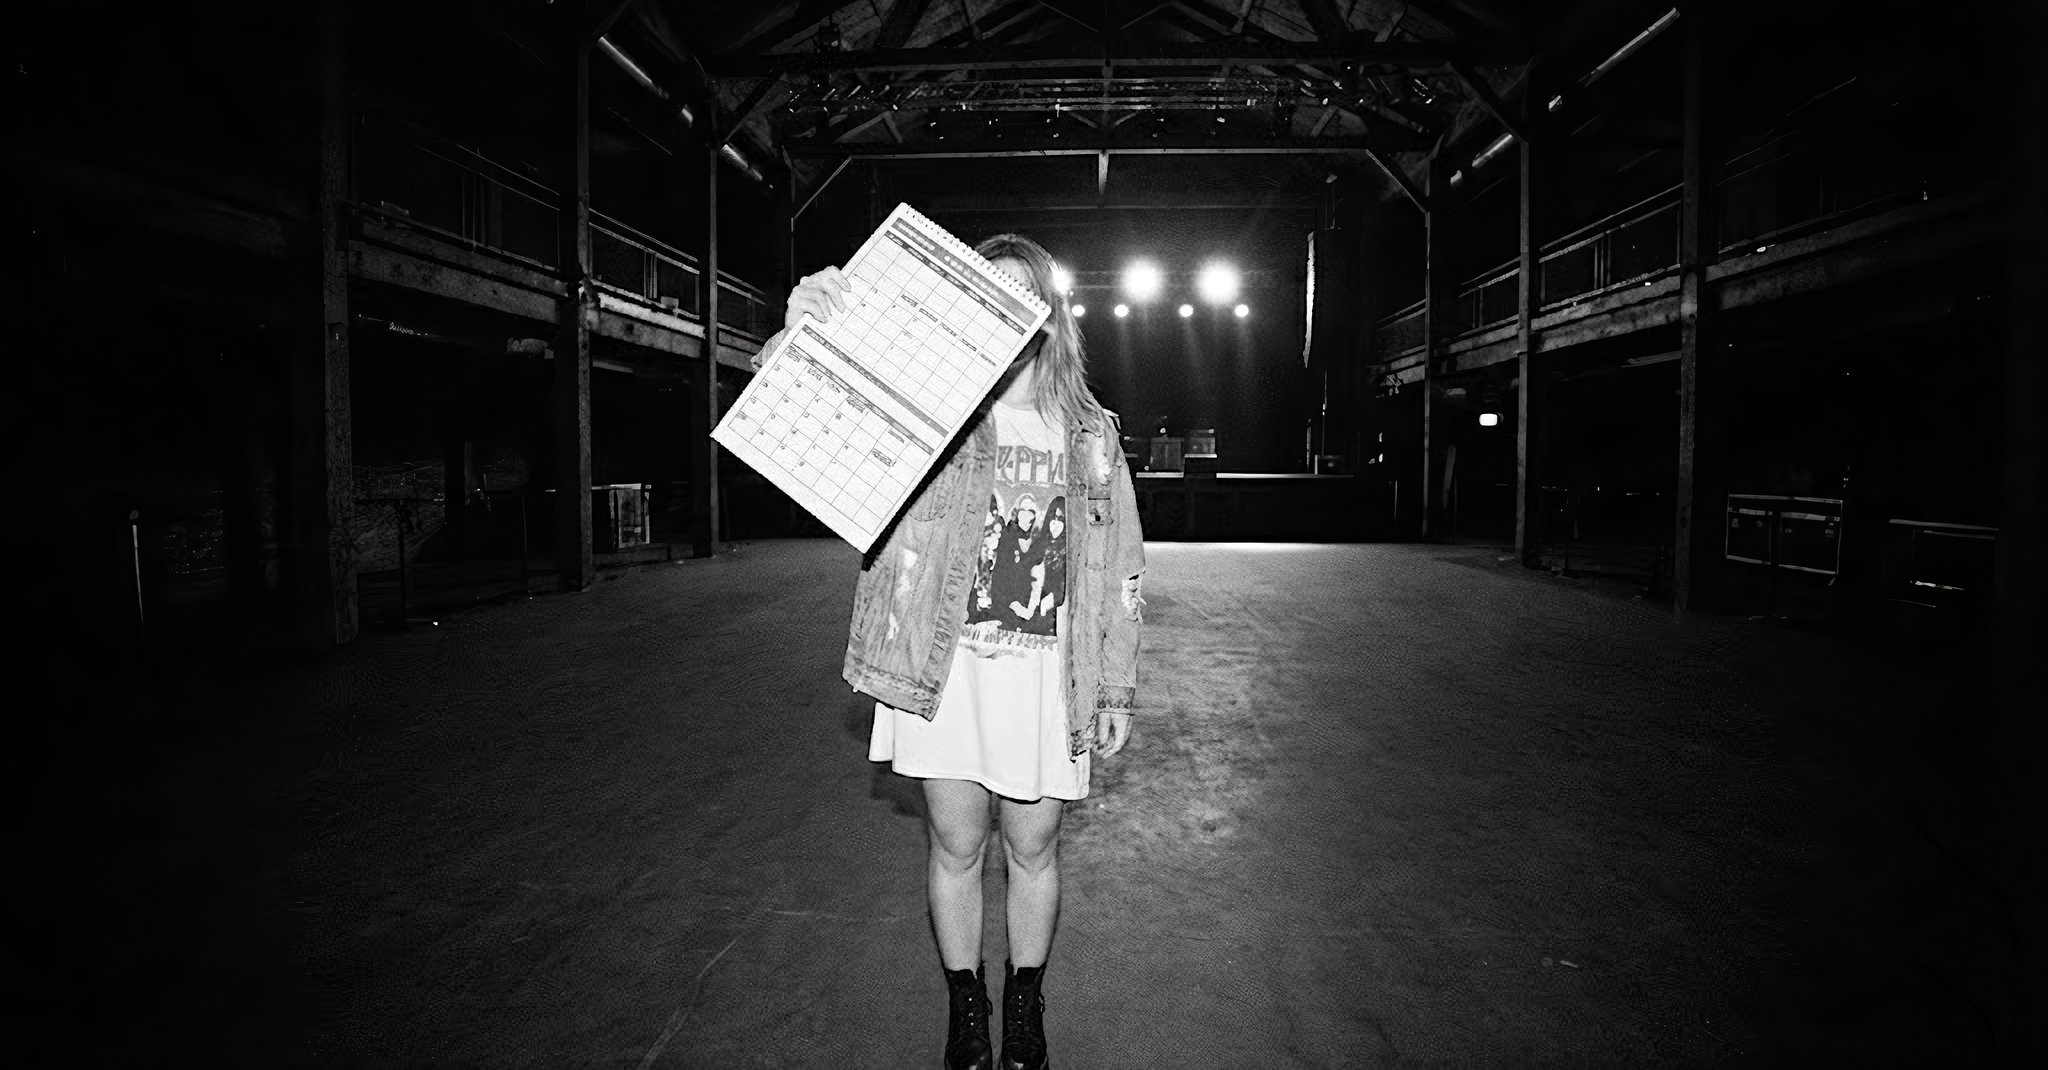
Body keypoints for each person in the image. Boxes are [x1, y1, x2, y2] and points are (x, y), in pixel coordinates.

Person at [761, 233, 1145, 1070]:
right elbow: (808, 425)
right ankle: (966, 1007)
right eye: (988, 297)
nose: (1008, 316)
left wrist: (1115, 688)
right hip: (945, 674)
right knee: (956, 848)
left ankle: (1026, 1004)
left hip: (1048, 678)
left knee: (1034, 848)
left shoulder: (1091, 435)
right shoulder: (925, 417)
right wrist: (800, 335)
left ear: (1050, 319)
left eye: (1023, 300)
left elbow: (1119, 570)